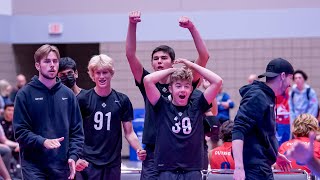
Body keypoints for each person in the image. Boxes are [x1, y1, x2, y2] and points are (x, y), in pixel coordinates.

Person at [126, 11, 210, 179]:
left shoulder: (183, 84)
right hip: (153, 150)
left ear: (172, 62)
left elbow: (204, 56)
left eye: (164, 58)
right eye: (155, 58)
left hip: (178, 151)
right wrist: (132, 24)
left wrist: (191, 28)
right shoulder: (148, 83)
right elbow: (130, 54)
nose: (159, 61)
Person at [13, 44, 84, 180]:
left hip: (61, 166)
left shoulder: (68, 94)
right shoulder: (24, 94)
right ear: (38, 65)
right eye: (47, 61)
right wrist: (42, 141)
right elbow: (20, 131)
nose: (52, 65)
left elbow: (77, 132)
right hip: (33, 167)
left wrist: (73, 156)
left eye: (55, 61)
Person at [143, 58, 222, 180]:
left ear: (191, 90)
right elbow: (148, 80)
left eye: (186, 86)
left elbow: (217, 81)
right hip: (166, 169)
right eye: (178, 86)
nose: (182, 90)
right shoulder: (162, 106)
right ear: (170, 89)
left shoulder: (197, 106)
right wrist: (172, 70)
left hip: (192, 169)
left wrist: (192, 66)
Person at [75, 54, 146, 180]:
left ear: (111, 73)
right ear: (93, 75)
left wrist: (139, 149)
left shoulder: (122, 100)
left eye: (105, 72)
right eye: (98, 73)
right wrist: (75, 157)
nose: (102, 76)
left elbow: (129, 133)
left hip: (112, 161)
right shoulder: (83, 99)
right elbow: (74, 131)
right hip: (88, 161)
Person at [232, 58, 294, 180]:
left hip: (261, 166)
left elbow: (259, 133)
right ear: (282, 76)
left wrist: (274, 153)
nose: (290, 84)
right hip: (254, 169)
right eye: (290, 78)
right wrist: (239, 168)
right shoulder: (258, 96)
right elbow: (238, 129)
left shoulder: (267, 96)